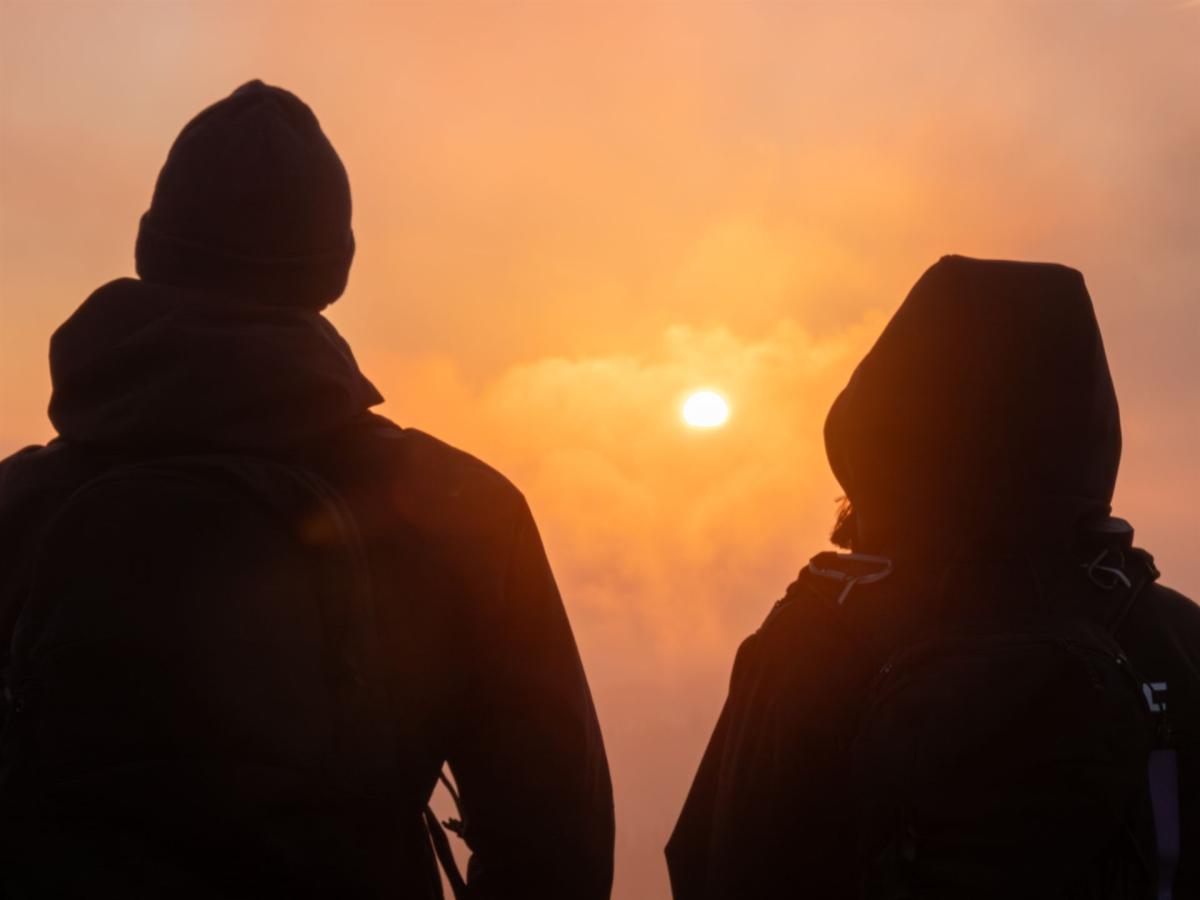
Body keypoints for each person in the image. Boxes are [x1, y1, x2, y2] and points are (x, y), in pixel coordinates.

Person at [0, 80, 613, 899]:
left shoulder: (21, 505)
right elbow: (555, 846)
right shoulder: (457, 510)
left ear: (154, 251)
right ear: (333, 270)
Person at [666, 256, 1199, 899]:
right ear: (1088, 419)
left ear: (882, 419)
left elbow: (718, 861)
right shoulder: (1168, 637)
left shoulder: (815, 638)